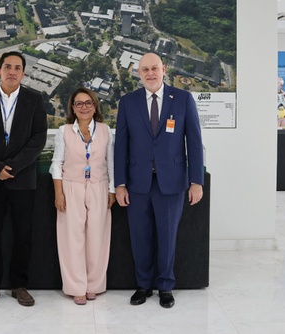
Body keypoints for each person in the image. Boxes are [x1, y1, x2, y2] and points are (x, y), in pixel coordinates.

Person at [114, 53, 204, 309]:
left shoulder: (183, 99)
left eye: (154, 68)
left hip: (172, 182)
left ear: (164, 69)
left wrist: (196, 180)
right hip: (137, 183)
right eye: (145, 70)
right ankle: (143, 285)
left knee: (167, 236)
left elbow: (194, 142)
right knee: (140, 237)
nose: (150, 73)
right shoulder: (128, 102)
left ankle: (165, 286)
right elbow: (121, 145)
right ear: (138, 73)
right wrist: (120, 183)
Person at [0, 51, 47, 308]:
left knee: (22, 234)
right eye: (7, 67)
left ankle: (19, 285)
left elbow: (38, 139)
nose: (12, 71)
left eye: (17, 67)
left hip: (22, 179)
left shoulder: (35, 100)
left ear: (23, 73)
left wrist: (11, 167)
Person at [50, 87, 116, 305]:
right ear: (72, 107)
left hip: (99, 186)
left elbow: (111, 164)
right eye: (79, 103)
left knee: (98, 237)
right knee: (72, 239)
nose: (84, 107)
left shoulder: (106, 131)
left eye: (88, 102)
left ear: (95, 105)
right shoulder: (64, 131)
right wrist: (58, 193)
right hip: (71, 187)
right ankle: (76, 286)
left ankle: (94, 284)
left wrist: (112, 190)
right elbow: (57, 164)